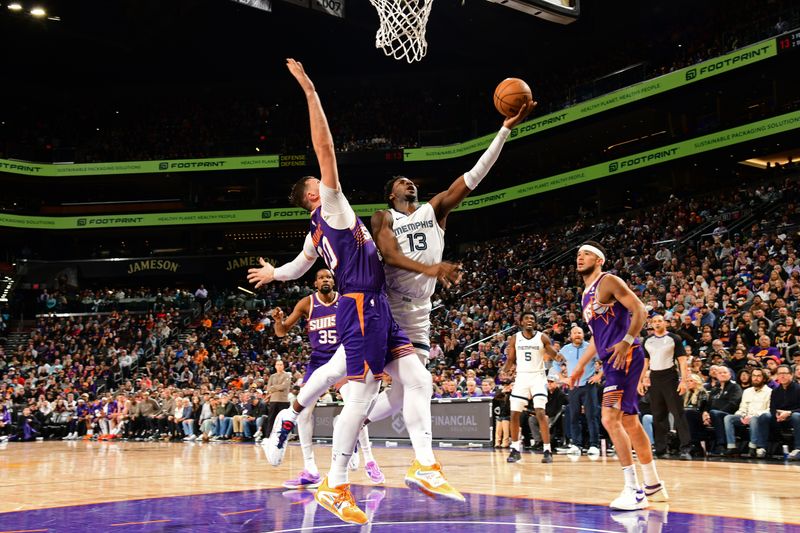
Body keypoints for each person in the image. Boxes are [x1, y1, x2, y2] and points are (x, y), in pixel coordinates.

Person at [247, 59, 460, 525]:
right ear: (312, 196)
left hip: (374, 306)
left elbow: (301, 265)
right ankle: (335, 484)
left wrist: (274, 275)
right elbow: (324, 147)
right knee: (360, 398)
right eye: (316, 182)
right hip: (361, 305)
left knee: (418, 380)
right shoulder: (333, 206)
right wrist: (309, 91)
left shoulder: (314, 233)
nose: (322, 180)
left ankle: (424, 465)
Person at [363, 97, 534, 477]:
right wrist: (431, 267)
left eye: (411, 181)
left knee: (399, 394)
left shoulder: (435, 209)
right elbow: (389, 256)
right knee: (417, 382)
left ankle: (355, 423)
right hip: (390, 306)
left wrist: (505, 129)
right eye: (401, 181)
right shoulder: (382, 216)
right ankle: (423, 463)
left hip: (421, 312)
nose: (409, 182)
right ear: (392, 194)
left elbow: (475, 174)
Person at [570, 241, 667, 511]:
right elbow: (596, 337)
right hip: (612, 360)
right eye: (578, 254)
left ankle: (634, 491)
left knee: (609, 418)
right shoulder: (586, 294)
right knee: (630, 421)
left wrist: (626, 341)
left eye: (586, 253)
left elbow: (641, 310)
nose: (580, 257)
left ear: (599, 259)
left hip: (624, 357)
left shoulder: (608, 281)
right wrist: (581, 365)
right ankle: (652, 483)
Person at [272, 268, 384, 488]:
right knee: (303, 412)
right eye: (321, 277)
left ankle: (369, 460)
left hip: (343, 357)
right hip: (318, 361)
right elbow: (281, 331)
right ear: (315, 283)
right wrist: (278, 320)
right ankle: (310, 469)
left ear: (334, 281)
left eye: (329, 277)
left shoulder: (345, 300)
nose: (325, 280)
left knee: (356, 406)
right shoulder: (306, 303)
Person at [501, 311, 563, 463]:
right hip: (521, 377)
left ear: (535, 323)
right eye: (527, 318)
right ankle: (515, 449)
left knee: (540, 412)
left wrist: (559, 357)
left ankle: (547, 450)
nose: (530, 320)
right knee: (514, 413)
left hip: (538, 377)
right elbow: (511, 359)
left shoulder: (542, 337)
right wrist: (503, 371)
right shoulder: (515, 338)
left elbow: (553, 353)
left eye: (532, 319)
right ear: (521, 322)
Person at [640, 314, 693, 460]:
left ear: (665, 323)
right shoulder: (647, 340)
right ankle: (661, 449)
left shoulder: (673, 338)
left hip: (670, 377)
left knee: (678, 413)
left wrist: (683, 381)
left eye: (659, 321)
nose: (657, 323)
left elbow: (682, 361)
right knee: (658, 415)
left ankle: (685, 448)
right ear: (651, 324)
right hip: (654, 378)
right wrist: (640, 381)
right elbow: (645, 363)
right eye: (654, 321)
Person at [559, 326, 601, 455]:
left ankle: (594, 445)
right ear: (570, 336)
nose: (577, 335)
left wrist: (599, 376)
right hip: (573, 387)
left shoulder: (591, 347)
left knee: (591, 415)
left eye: (579, 332)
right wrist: (562, 378)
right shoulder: (565, 349)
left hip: (589, 386)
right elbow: (555, 363)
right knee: (574, 416)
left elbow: (605, 361)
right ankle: (576, 444)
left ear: (583, 334)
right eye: (574, 333)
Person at [721, 367, 772, 457]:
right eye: (754, 376)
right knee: (728, 418)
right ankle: (731, 447)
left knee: (754, 419)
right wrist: (742, 415)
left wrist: (752, 416)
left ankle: (752, 447)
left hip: (759, 418)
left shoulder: (770, 391)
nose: (756, 378)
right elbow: (742, 408)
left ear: (764, 378)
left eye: (759, 376)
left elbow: (769, 410)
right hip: (746, 417)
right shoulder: (747, 391)